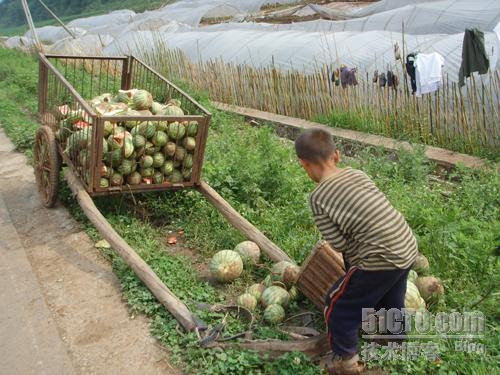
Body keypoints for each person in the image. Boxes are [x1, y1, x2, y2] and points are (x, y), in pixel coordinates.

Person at [294, 128, 418, 375]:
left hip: (379, 258)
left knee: (337, 306)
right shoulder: (358, 174)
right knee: (391, 299)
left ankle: (347, 363)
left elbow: (338, 244)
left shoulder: (318, 197)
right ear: (337, 155)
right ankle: (396, 343)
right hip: (406, 247)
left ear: (304, 164)